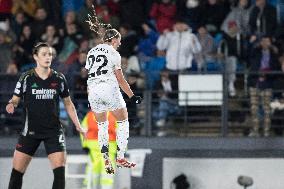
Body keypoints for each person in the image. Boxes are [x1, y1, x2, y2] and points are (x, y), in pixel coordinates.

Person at [6, 42, 87, 189]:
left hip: (53, 132)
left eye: (50, 54)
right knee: (17, 173)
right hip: (30, 131)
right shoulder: (26, 78)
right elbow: (16, 99)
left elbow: (68, 103)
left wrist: (78, 125)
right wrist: (12, 104)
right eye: (44, 54)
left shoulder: (59, 78)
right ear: (35, 57)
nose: (48, 57)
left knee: (60, 173)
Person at [85, 8, 142, 174]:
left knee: (102, 125)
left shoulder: (91, 52)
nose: (120, 43)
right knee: (123, 120)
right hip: (108, 88)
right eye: (119, 40)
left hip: (93, 91)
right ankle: (120, 157)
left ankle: (105, 158)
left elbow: (88, 73)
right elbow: (120, 79)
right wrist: (132, 96)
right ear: (114, 39)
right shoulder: (114, 53)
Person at [80, 111, 117, 189]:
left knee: (92, 169)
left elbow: (83, 130)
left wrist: (84, 145)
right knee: (107, 171)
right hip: (108, 147)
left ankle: (89, 186)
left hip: (94, 147)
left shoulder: (90, 115)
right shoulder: (115, 115)